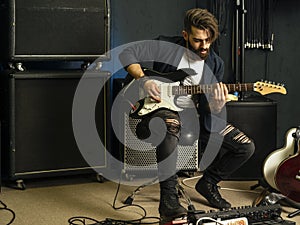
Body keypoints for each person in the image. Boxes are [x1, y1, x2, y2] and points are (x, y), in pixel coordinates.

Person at [119, 8, 255, 220]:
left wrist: (217, 105)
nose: (205, 46)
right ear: (185, 35)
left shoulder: (215, 64)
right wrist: (143, 79)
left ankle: (208, 183)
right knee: (170, 123)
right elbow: (126, 54)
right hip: (156, 112)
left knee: (245, 146)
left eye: (209, 40)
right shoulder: (166, 47)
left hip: (195, 120)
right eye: (198, 40)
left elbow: (209, 108)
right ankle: (169, 202)